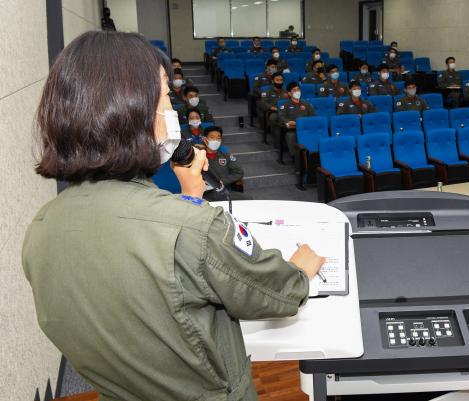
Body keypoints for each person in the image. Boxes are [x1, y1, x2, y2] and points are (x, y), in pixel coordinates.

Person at [24, 30, 324, 401]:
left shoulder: (42, 227)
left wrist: (190, 197)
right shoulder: (196, 229)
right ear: (132, 110)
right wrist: (299, 271)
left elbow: (145, 285)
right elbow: (275, 294)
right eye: (165, 96)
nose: (172, 108)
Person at [200, 126, 246, 201]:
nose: (216, 140)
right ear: (205, 139)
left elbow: (239, 172)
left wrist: (222, 181)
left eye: (218, 138)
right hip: (206, 195)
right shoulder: (198, 157)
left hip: (225, 192)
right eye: (212, 137)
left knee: (247, 199)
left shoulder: (225, 155)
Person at [275, 82, 316, 163]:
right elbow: (281, 117)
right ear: (289, 93)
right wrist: (288, 122)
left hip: (306, 128)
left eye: (298, 89)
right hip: (292, 129)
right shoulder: (284, 105)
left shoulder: (306, 104)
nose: (297, 91)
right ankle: (296, 158)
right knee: (291, 136)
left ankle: (313, 155)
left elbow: (314, 116)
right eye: (294, 90)